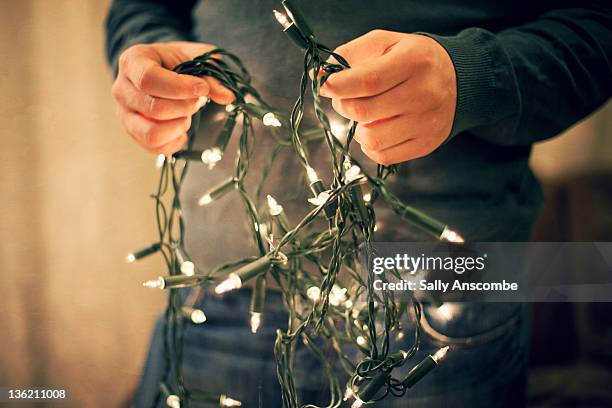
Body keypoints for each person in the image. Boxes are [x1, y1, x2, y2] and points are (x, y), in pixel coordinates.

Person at [105, 1, 611, 407]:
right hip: (220, 286)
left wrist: (469, 76)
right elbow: (143, 8)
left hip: (439, 290)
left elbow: (596, 25)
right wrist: (141, 56)